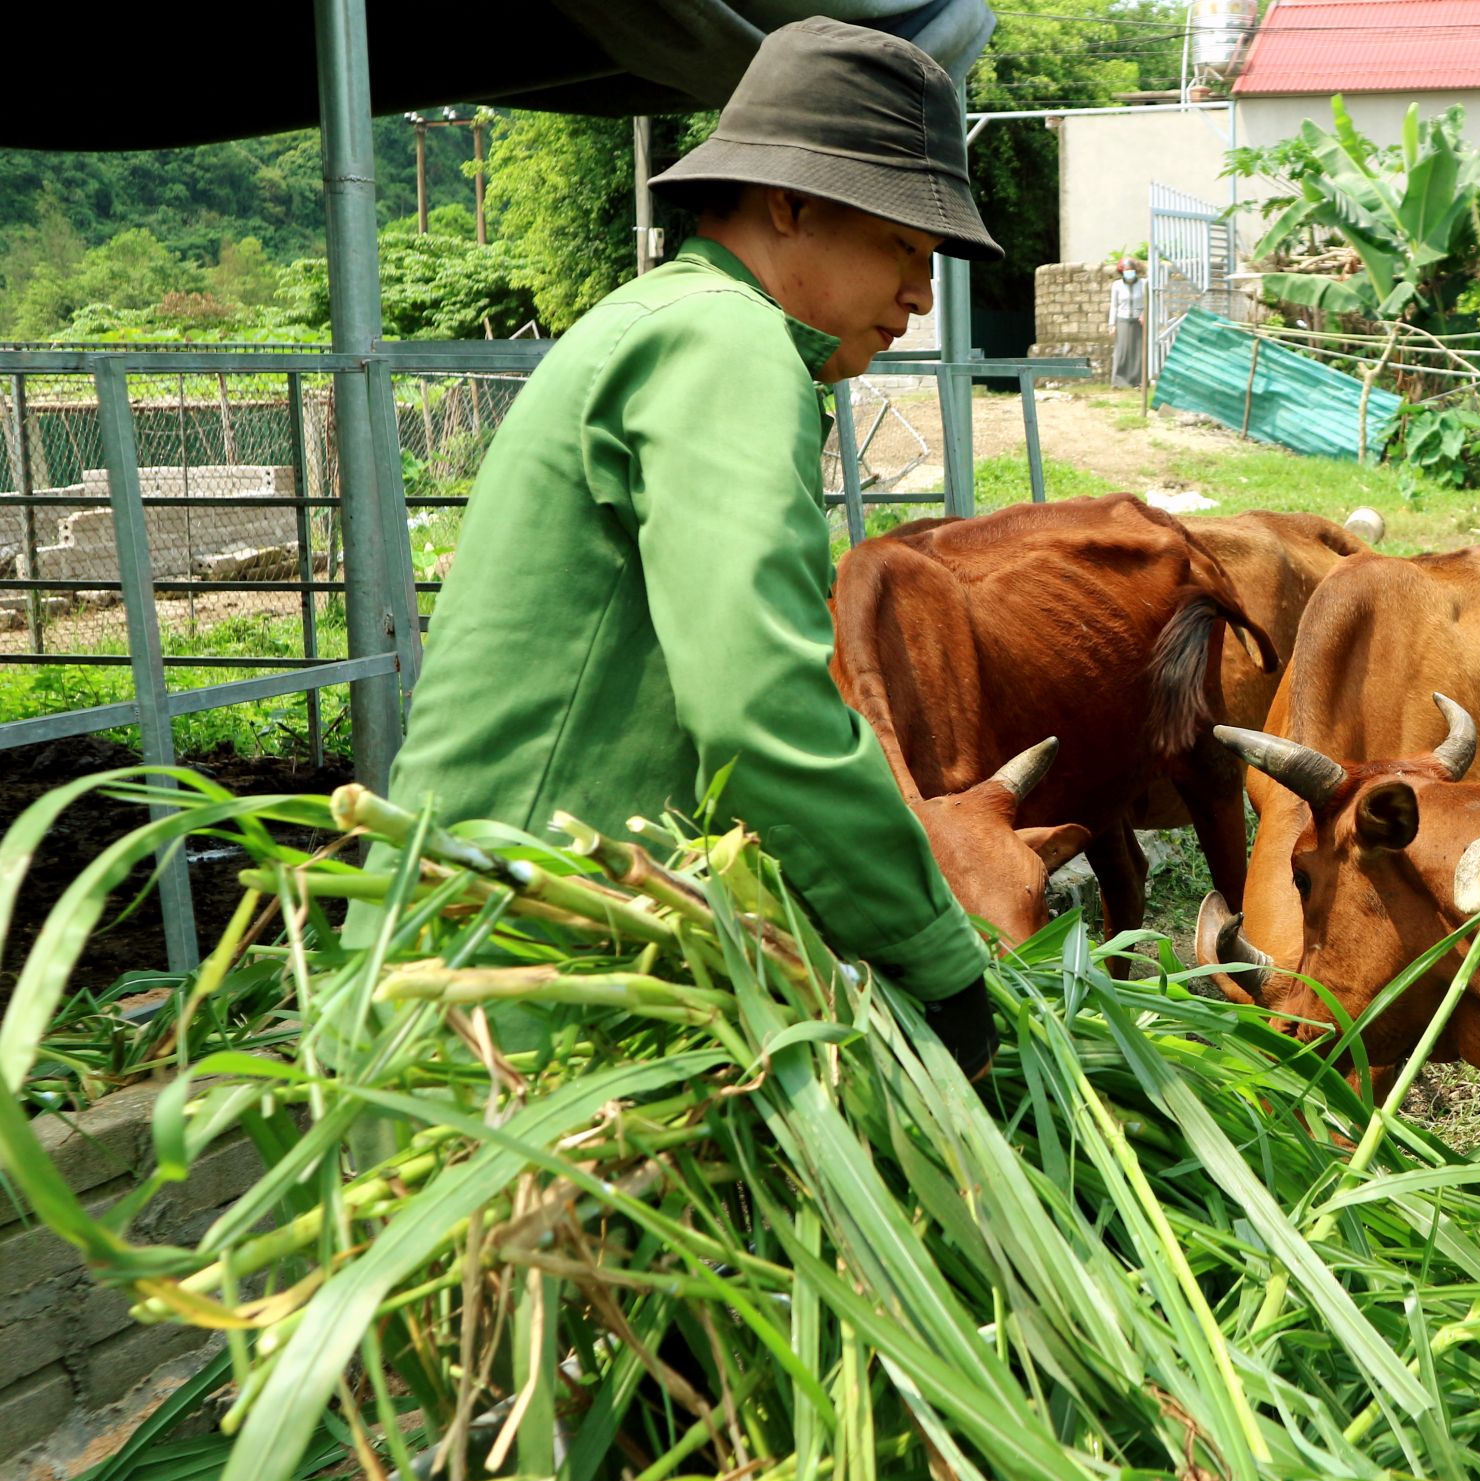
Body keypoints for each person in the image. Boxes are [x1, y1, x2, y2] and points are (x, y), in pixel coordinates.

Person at [376, 19, 1003, 1077]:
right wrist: (935, 954)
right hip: (514, 994)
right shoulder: (726, 339)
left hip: (508, 951)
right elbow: (760, 703)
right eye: (905, 245)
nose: (921, 295)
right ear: (791, 205)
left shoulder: (670, 319)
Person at [1108, 257, 1146, 387]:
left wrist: (1144, 314)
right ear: (1121, 271)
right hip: (1122, 320)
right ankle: (1118, 382)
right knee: (1121, 352)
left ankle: (1139, 381)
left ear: (1136, 270)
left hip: (1139, 321)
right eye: (1126, 270)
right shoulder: (1116, 285)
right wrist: (1112, 324)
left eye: (1131, 270)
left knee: (1138, 352)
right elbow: (1114, 305)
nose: (1129, 272)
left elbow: (1149, 301)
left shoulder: (1144, 283)